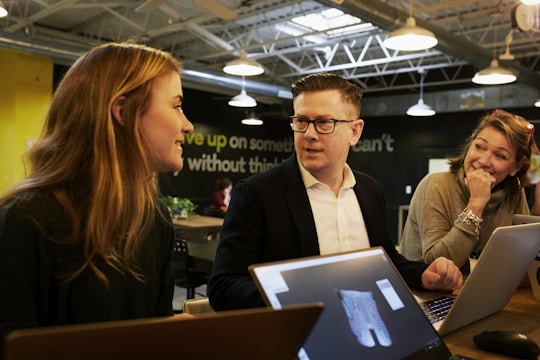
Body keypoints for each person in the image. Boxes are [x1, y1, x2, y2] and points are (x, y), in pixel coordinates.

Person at [208, 72, 463, 311]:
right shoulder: (256, 194)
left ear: (355, 131)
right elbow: (224, 287)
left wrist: (422, 275)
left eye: (323, 123)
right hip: (298, 340)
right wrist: (303, 297)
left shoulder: (369, 190)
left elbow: (386, 260)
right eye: (301, 121)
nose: (309, 134)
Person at [0, 42, 194, 346]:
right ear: (124, 111)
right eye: (176, 105)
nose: (188, 125)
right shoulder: (24, 222)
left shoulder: (155, 220)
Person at [399, 109, 539, 272]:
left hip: (482, 289)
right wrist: (476, 204)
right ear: (469, 145)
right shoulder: (436, 184)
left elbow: (523, 262)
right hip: (426, 294)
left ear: (516, 167)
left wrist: (538, 211)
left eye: (500, 156)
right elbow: (437, 264)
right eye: (479, 146)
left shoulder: (513, 192)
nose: (484, 161)